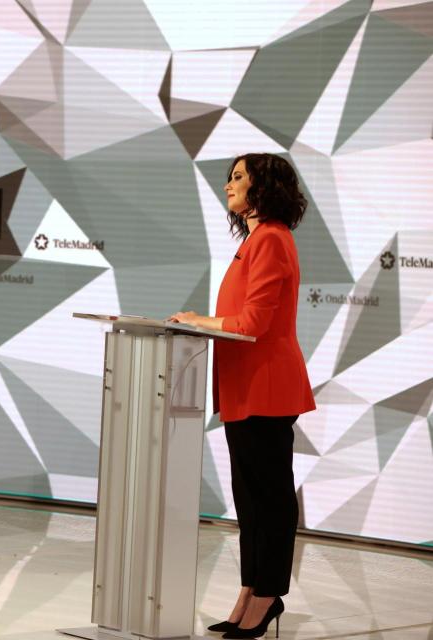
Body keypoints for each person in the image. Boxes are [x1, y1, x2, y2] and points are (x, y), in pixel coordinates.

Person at [169, 153, 315, 638]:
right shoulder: (254, 239)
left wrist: (197, 322)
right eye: (228, 177)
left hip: (267, 387)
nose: (228, 185)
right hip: (243, 387)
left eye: (237, 178)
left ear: (262, 188)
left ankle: (269, 594)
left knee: (269, 499)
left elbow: (253, 324)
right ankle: (250, 589)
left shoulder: (272, 238)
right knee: (249, 500)